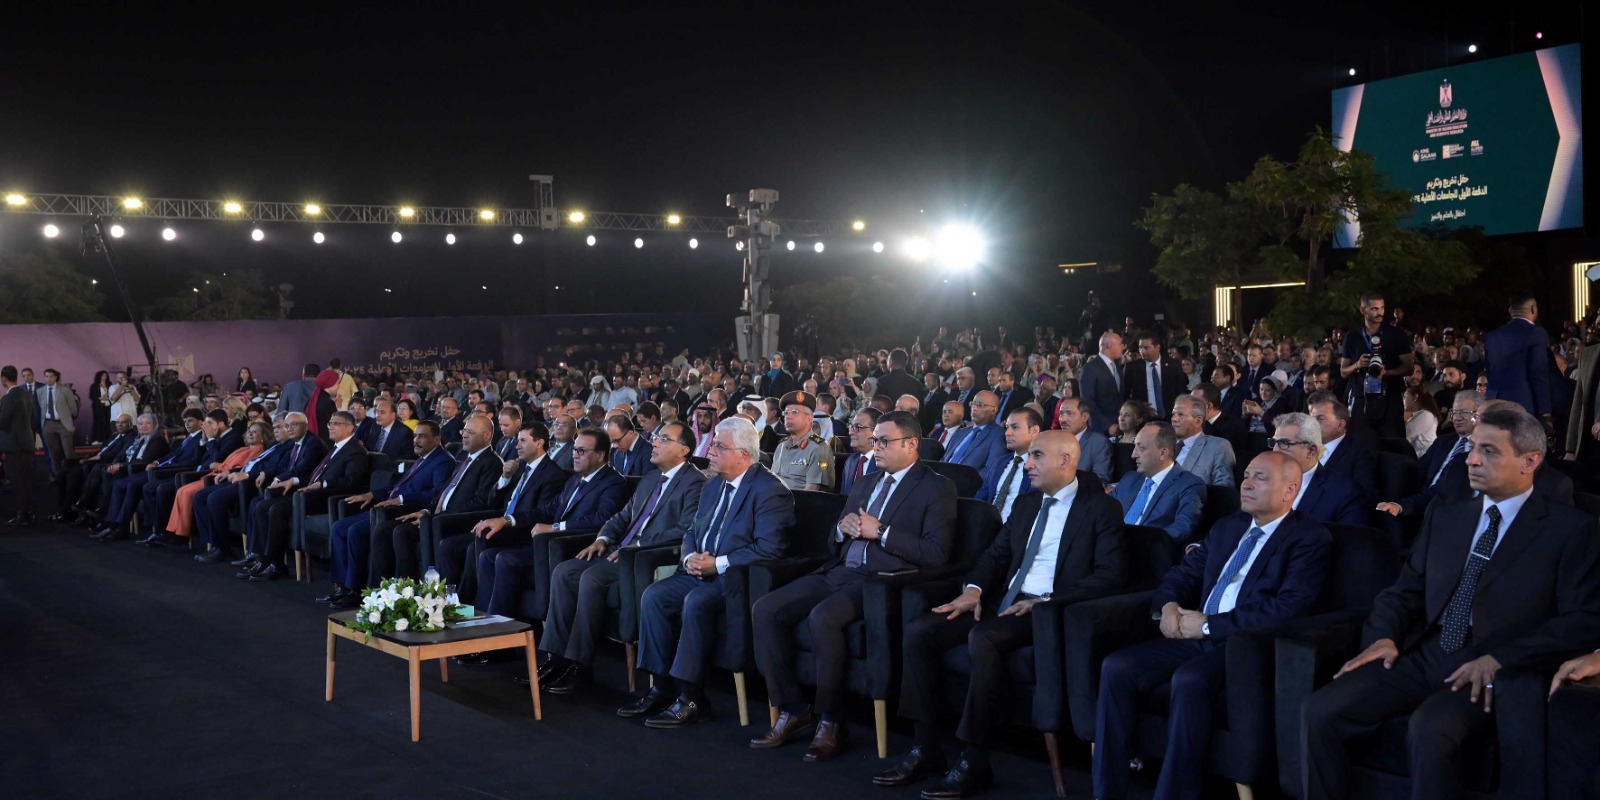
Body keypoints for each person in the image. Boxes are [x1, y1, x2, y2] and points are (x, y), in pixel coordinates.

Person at [1300, 404, 1600, 800]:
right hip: (1426, 650)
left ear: (1529, 461)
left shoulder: (1569, 530)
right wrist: (1384, 636)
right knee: (1319, 711)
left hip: (1498, 664)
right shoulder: (1446, 515)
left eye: (1488, 451)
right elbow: (1404, 589)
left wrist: (1501, 659)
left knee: (1430, 729)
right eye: (1472, 448)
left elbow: (1583, 619)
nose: (1471, 459)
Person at [879, 430, 1126, 797]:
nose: (1027, 464)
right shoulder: (1026, 504)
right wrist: (973, 590)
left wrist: (1046, 601)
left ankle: (974, 759)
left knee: (984, 637)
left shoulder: (1101, 508)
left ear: (1065, 460)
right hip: (1004, 601)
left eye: (1037, 456)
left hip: (1048, 610)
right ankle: (925, 747)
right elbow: (995, 556)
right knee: (919, 631)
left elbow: (1110, 575)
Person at [1093, 451, 1332, 800]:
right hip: (1194, 633)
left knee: (1190, 680)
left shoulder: (1309, 537)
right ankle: (1106, 792)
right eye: (1246, 475)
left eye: (1260, 478)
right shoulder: (1228, 526)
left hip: (1244, 644)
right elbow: (1183, 573)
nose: (1246, 484)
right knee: (1117, 667)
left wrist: (1209, 626)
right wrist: (1167, 606)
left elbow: (1288, 607)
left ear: (1289, 490)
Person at [752, 411, 957, 760]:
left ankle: (831, 720)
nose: (876, 447)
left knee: (823, 617)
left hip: (882, 581)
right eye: (874, 440)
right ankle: (794, 708)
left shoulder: (937, 487)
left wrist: (883, 532)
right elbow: (832, 540)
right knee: (766, 609)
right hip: (840, 570)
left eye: (884, 441)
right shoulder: (866, 482)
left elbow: (936, 553)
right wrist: (840, 529)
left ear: (911, 444)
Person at [620, 417, 794, 727]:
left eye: (719, 446)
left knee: (696, 602)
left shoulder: (770, 491)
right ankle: (662, 688)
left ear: (743, 454)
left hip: (736, 580)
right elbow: (692, 530)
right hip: (699, 571)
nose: (709, 451)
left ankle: (693, 698)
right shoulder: (713, 484)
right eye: (712, 444)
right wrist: (689, 557)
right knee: (654, 596)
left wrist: (719, 563)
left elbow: (771, 549)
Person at [538, 421, 707, 692]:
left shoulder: (695, 482)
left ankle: (580, 666)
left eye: (664, 439)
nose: (654, 442)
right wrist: (602, 538)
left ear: (683, 450)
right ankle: (556, 658)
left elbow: (685, 529)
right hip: (618, 549)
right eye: (657, 437)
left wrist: (636, 545)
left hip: (642, 557)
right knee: (565, 571)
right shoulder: (651, 478)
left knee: (591, 578)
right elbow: (623, 516)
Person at [476, 428, 626, 634]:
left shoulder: (613, 482)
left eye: (581, 451)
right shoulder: (575, 479)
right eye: (574, 450)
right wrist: (506, 520)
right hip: (548, 545)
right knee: (487, 556)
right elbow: (546, 511)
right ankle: (480, 626)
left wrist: (555, 527)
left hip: (572, 547)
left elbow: (602, 519)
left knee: (506, 559)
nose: (574, 455)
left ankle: (499, 635)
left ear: (600, 455)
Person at [314, 420, 457, 596]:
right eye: (415, 436)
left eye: (422, 436)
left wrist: (401, 499)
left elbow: (437, 494)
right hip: (384, 506)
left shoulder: (443, 461)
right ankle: (341, 586)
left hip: (402, 510)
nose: (416, 440)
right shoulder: (423, 458)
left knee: (354, 531)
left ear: (436, 439)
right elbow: (397, 486)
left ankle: (355, 589)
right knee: (338, 527)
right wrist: (371, 494)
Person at [435, 421, 569, 604]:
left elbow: (542, 514)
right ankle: (445, 601)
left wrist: (507, 520)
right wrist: (505, 478)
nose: (517, 446)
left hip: (521, 531)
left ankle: (465, 605)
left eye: (523, 441)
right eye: (517, 441)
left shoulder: (552, 474)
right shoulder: (520, 468)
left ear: (539, 443)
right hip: (503, 524)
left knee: (474, 548)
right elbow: (494, 501)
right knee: (448, 545)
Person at [241, 411, 369, 582]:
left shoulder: (355, 450)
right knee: (262, 506)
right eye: (330, 423)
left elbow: (352, 481)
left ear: (350, 427)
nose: (330, 427)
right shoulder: (336, 447)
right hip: (310, 493)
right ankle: (263, 559)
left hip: (326, 497)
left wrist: (323, 484)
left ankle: (277, 565)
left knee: (277, 509)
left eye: (336, 424)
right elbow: (312, 475)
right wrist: (294, 481)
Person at [372, 414, 502, 581]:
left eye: (470, 432)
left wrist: (439, 517)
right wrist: (426, 510)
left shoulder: (492, 462)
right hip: (438, 517)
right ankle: (382, 587)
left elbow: (481, 502)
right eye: (464, 431)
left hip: (455, 521)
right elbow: (444, 492)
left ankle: (407, 588)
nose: (464, 435)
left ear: (486, 435)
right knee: (384, 529)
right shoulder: (465, 458)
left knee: (402, 532)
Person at [166, 421, 267, 540]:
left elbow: (242, 467)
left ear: (262, 436)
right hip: (215, 474)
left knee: (190, 493)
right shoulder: (244, 448)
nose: (250, 434)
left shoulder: (258, 450)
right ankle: (178, 532)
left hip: (227, 479)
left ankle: (185, 534)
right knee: (182, 491)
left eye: (254, 432)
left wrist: (219, 466)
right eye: (249, 431)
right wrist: (218, 465)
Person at [1267, 412, 1367, 526]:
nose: (1275, 450)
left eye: (1284, 443)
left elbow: (1351, 536)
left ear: (1311, 451)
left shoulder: (1344, 492)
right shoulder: (1262, 480)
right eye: (1273, 443)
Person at [1111, 423, 1205, 540]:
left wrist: (1143, 542)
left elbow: (1183, 527)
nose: (1133, 455)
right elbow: (1104, 510)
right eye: (1135, 446)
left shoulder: (1188, 484)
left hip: (1148, 547)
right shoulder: (1129, 478)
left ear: (1163, 453)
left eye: (1141, 448)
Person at [1339, 292, 1414, 439]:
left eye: (1382, 308)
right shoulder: (1353, 336)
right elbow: (1343, 372)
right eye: (1374, 309)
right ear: (1362, 310)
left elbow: (1409, 368)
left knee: (1391, 442)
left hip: (1390, 398)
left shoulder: (1396, 334)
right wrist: (1357, 365)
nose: (1380, 313)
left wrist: (1388, 372)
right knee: (1361, 442)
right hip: (1362, 398)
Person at [1482, 291, 1553, 432]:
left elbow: (1489, 371)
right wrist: (1545, 413)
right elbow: (1538, 373)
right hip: (1522, 404)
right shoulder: (1536, 333)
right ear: (1533, 308)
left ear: (1510, 311)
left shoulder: (1492, 336)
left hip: (1492, 402)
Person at [1307, 391, 1377, 504]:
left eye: (1320, 419)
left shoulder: (1359, 453)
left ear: (1340, 425)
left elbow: (1364, 496)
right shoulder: (1305, 449)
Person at [976, 408, 1041, 523]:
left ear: (1034, 431)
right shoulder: (999, 463)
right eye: (1007, 427)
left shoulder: (1041, 468)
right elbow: (981, 499)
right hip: (986, 526)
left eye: (1014, 427)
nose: (1007, 433)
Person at [1168, 395, 1237, 488]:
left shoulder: (1218, 446)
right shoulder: (1165, 445)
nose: (1174, 419)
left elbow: (1224, 489)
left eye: (1180, 414)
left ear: (1198, 421)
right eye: (1173, 414)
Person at [771, 391, 835, 492]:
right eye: (786, 412)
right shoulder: (781, 446)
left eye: (795, 412)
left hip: (799, 501)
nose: (788, 416)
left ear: (809, 418)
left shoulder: (819, 448)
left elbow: (811, 491)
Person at [0, 366, 39, 525]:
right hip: (27, 442)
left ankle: (22, 514)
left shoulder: (8, 398)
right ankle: (29, 513)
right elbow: (32, 420)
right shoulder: (27, 394)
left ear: (4, 379)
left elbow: (3, 421)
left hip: (13, 445)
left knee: (17, 480)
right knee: (26, 479)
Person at [942, 391, 1007, 475]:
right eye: (973, 403)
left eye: (980, 405)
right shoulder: (960, 432)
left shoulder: (998, 435)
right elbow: (944, 459)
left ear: (993, 410)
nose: (974, 408)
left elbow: (990, 470)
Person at [1123, 334, 1185, 419]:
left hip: (1171, 416)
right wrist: (1138, 406)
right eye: (1140, 347)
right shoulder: (1131, 368)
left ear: (1157, 347)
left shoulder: (1173, 365)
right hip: (1144, 418)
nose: (1142, 351)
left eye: (1146, 348)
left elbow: (1181, 391)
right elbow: (1125, 395)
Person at [1079, 332, 1126, 436]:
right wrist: (1107, 425)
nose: (1123, 347)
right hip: (1100, 430)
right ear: (1109, 345)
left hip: (1119, 427)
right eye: (1120, 344)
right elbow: (1087, 401)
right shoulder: (1090, 368)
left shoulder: (1117, 368)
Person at [35, 369, 78, 476]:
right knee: (53, 453)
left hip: (63, 424)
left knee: (68, 452)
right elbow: (41, 407)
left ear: (55, 377)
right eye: (46, 376)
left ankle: (73, 476)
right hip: (48, 424)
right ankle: (58, 476)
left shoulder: (65, 390)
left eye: (51, 376)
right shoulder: (40, 391)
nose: (48, 379)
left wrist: (70, 421)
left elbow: (73, 408)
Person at [839, 408, 883, 496]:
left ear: (876, 431)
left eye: (857, 427)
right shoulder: (850, 461)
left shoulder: (885, 463)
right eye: (851, 426)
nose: (850, 432)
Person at [1402, 385, 1441, 458]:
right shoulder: (1422, 415)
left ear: (1415, 397)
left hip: (1422, 459)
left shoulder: (1425, 415)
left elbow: (1404, 435)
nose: (1403, 400)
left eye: (1405, 397)